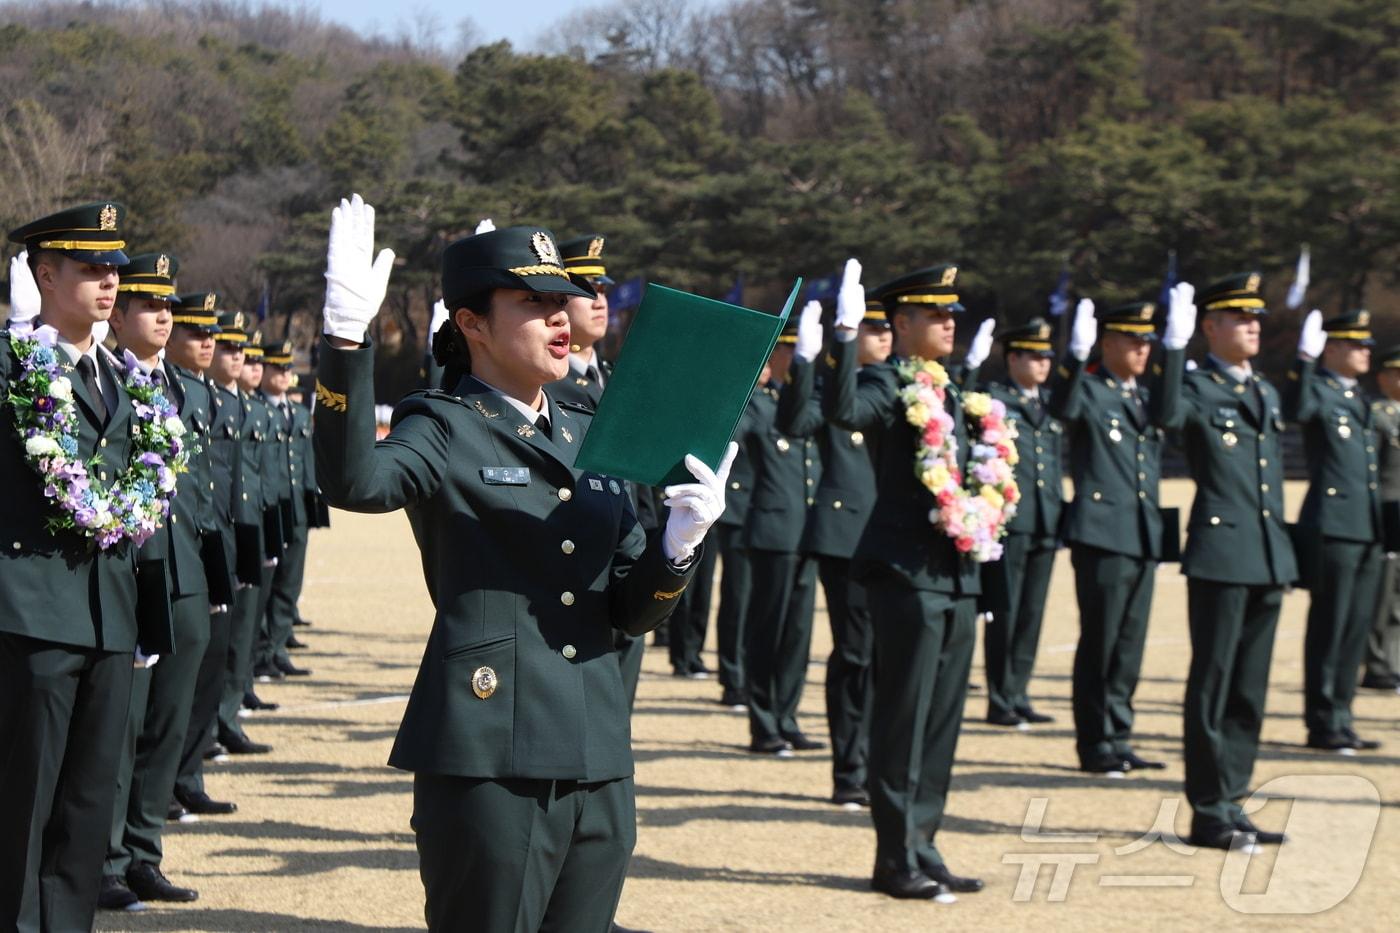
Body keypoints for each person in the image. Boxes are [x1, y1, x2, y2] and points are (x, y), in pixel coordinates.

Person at [312, 196, 731, 930]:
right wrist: (347, 343)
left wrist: (678, 543)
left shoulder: (589, 429)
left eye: (564, 300)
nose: (562, 317)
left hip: (598, 752)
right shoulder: (440, 424)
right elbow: (357, 483)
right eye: (534, 303)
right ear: (472, 323)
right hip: (490, 754)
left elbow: (632, 609)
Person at [0, 202, 155, 931]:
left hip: (107, 618)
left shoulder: (122, 375)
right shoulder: (11, 365)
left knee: (88, 805)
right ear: (45, 273)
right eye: (90, 267)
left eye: (114, 268)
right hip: (31, 610)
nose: (110, 282)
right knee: (23, 804)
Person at [825, 260, 998, 900]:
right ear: (901, 323)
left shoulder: (957, 393)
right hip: (905, 574)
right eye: (936, 314)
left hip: (955, 573)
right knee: (902, 717)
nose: (950, 323)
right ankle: (893, 858)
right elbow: (844, 411)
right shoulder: (889, 382)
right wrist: (845, 339)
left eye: (953, 313)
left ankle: (924, 843)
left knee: (942, 722)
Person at [1158, 274, 1295, 850]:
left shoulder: (1262, 390)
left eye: (1256, 318)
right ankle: (1207, 810)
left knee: (1249, 689)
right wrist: (1171, 349)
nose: (1254, 327)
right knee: (1212, 685)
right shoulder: (1196, 388)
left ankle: (1234, 799)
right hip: (1220, 554)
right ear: (1210, 327)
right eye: (1240, 319)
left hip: (1266, 555)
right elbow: (1165, 417)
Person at [101, 252, 212, 907]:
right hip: (131, 566)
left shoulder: (187, 388)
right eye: (148, 304)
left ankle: (144, 849)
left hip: (185, 569)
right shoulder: (104, 378)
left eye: (168, 305)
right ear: (118, 315)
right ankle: (105, 857)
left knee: (170, 715)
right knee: (121, 724)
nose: (164, 315)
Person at [1049, 297, 1183, 775]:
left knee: (1129, 645)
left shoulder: (1141, 397)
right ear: (1106, 344)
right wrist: (1072, 356)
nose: (1142, 349)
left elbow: (1171, 417)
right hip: (1103, 534)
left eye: (1147, 342)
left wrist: (1175, 352)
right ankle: (1094, 742)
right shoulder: (1090, 390)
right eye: (1132, 340)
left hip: (1143, 533)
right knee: (1101, 642)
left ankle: (1119, 734)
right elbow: (1060, 406)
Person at [782, 294, 890, 804]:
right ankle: (851, 770)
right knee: (856, 652)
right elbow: (794, 423)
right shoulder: (834, 392)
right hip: (846, 538)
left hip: (896, 538)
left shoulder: (904, 388)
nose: (884, 334)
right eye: (872, 327)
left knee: (888, 659)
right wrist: (804, 360)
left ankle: (878, 762)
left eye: (889, 326)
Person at [1284, 308, 1384, 752]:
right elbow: (1297, 408)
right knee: (1331, 624)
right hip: (1334, 526)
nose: (1366, 353)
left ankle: (1342, 716)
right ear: (1335, 348)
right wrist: (1304, 360)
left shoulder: (1359, 400)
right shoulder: (1320, 393)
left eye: (1367, 346)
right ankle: (1322, 721)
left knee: (1356, 627)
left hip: (1367, 527)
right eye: (1357, 345)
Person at [172, 301, 246, 815]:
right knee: (168, 688)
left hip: (212, 545)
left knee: (208, 664)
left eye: (211, 335)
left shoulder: (205, 394)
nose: (209, 343)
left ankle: (186, 774)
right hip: (173, 550)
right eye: (195, 332)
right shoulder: (167, 389)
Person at [976, 317, 1064, 728]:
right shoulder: (995, 398)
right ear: (1013, 358)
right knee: (1006, 610)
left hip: (1046, 517)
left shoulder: (1050, 402)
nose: (1043, 364)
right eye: (1035, 356)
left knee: (1033, 611)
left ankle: (1020, 691)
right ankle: (1000, 696)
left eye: (1048, 357)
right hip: (1011, 519)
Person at [742, 316, 824, 757]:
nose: (794, 357)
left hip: (808, 533)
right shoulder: (759, 403)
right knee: (768, 631)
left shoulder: (810, 402)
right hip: (773, 532)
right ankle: (764, 722)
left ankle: (788, 715)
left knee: (798, 635)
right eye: (786, 349)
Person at [214, 330, 278, 755]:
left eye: (245, 352)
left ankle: (228, 712)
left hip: (249, 524)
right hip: (215, 532)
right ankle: (218, 720)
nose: (240, 359)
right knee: (221, 637)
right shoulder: (204, 399)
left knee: (241, 630)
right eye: (231, 348)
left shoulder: (243, 406)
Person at [257, 340, 314, 678]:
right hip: (269, 509)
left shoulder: (300, 413)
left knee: (289, 584)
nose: (284, 374)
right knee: (267, 584)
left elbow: (306, 463)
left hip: (295, 509)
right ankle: (262, 651)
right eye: (277, 367)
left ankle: (277, 647)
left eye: (287, 368)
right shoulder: (258, 410)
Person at [1363, 345, 1400, 692]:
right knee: (1382, 596)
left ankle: (1394, 660)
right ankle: (1377, 663)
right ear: (1384, 378)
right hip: (1387, 513)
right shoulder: (1379, 415)